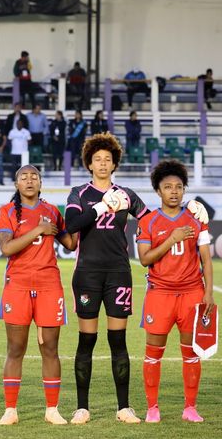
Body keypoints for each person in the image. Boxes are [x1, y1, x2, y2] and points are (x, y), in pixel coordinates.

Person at [63, 133, 204, 424]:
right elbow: (72, 225)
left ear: (115, 164)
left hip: (119, 273)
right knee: (87, 340)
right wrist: (101, 206)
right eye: (97, 159)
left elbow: (156, 219)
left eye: (108, 159)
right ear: (89, 164)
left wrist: (189, 207)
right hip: (87, 273)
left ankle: (124, 408)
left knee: (118, 341)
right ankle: (82, 408)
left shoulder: (127, 194)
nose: (103, 164)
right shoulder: (79, 193)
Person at [0, 165, 77, 426]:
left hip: (49, 286)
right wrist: (38, 230)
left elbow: (70, 243)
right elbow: (7, 248)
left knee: (50, 348)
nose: (29, 180)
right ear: (16, 184)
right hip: (17, 287)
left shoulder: (52, 211)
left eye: (34, 177)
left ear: (41, 183)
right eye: (24, 177)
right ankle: (10, 410)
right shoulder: (6, 211)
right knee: (15, 348)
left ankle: (52, 409)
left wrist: (82, 215)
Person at [137, 160, 213, 424]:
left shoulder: (197, 219)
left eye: (179, 187)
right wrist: (172, 238)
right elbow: (144, 259)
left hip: (192, 294)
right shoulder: (148, 221)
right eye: (168, 187)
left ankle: (190, 408)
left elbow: (206, 259)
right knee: (153, 353)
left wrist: (209, 293)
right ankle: (152, 408)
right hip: (160, 294)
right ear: (158, 191)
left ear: (184, 190)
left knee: (191, 353)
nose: (174, 191)